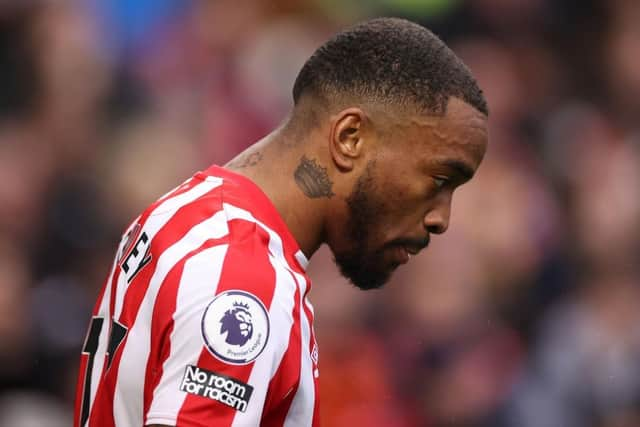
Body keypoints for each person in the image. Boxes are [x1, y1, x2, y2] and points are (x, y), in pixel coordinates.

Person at [74, 17, 488, 427]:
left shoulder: (185, 214)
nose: (442, 219)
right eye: (438, 179)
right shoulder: (241, 278)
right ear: (350, 139)